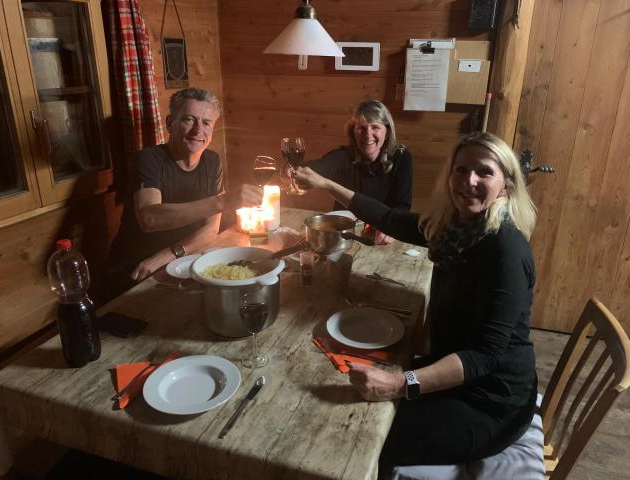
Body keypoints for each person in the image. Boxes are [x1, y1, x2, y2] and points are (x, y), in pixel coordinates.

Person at [293, 132, 538, 476]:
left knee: (360, 437)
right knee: (352, 405)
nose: (469, 180)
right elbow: (388, 218)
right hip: (458, 375)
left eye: (484, 172)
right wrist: (326, 184)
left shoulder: (505, 250)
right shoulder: (457, 228)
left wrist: (398, 384)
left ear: (506, 187)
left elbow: (485, 356)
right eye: (461, 169)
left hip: (491, 402)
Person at [101, 88, 262, 303]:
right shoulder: (150, 159)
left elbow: (210, 229)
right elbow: (150, 218)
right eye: (189, 119)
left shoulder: (212, 161)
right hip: (134, 271)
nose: (198, 130)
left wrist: (169, 254)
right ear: (170, 124)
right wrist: (223, 201)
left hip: (177, 263)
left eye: (206, 123)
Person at [299, 99, 412, 245]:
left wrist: (392, 226)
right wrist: (294, 170)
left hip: (380, 237)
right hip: (343, 235)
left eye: (375, 127)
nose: (368, 135)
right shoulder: (343, 155)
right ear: (353, 132)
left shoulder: (401, 157)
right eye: (361, 128)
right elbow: (319, 167)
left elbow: (402, 205)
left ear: (387, 131)